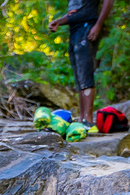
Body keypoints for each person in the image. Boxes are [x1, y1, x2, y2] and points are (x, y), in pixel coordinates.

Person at [49, 0, 114, 128]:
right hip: (74, 31)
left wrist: (98, 25)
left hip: (88, 27)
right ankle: (82, 118)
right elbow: (75, 13)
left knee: (85, 72)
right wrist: (59, 22)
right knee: (79, 76)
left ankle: (88, 120)